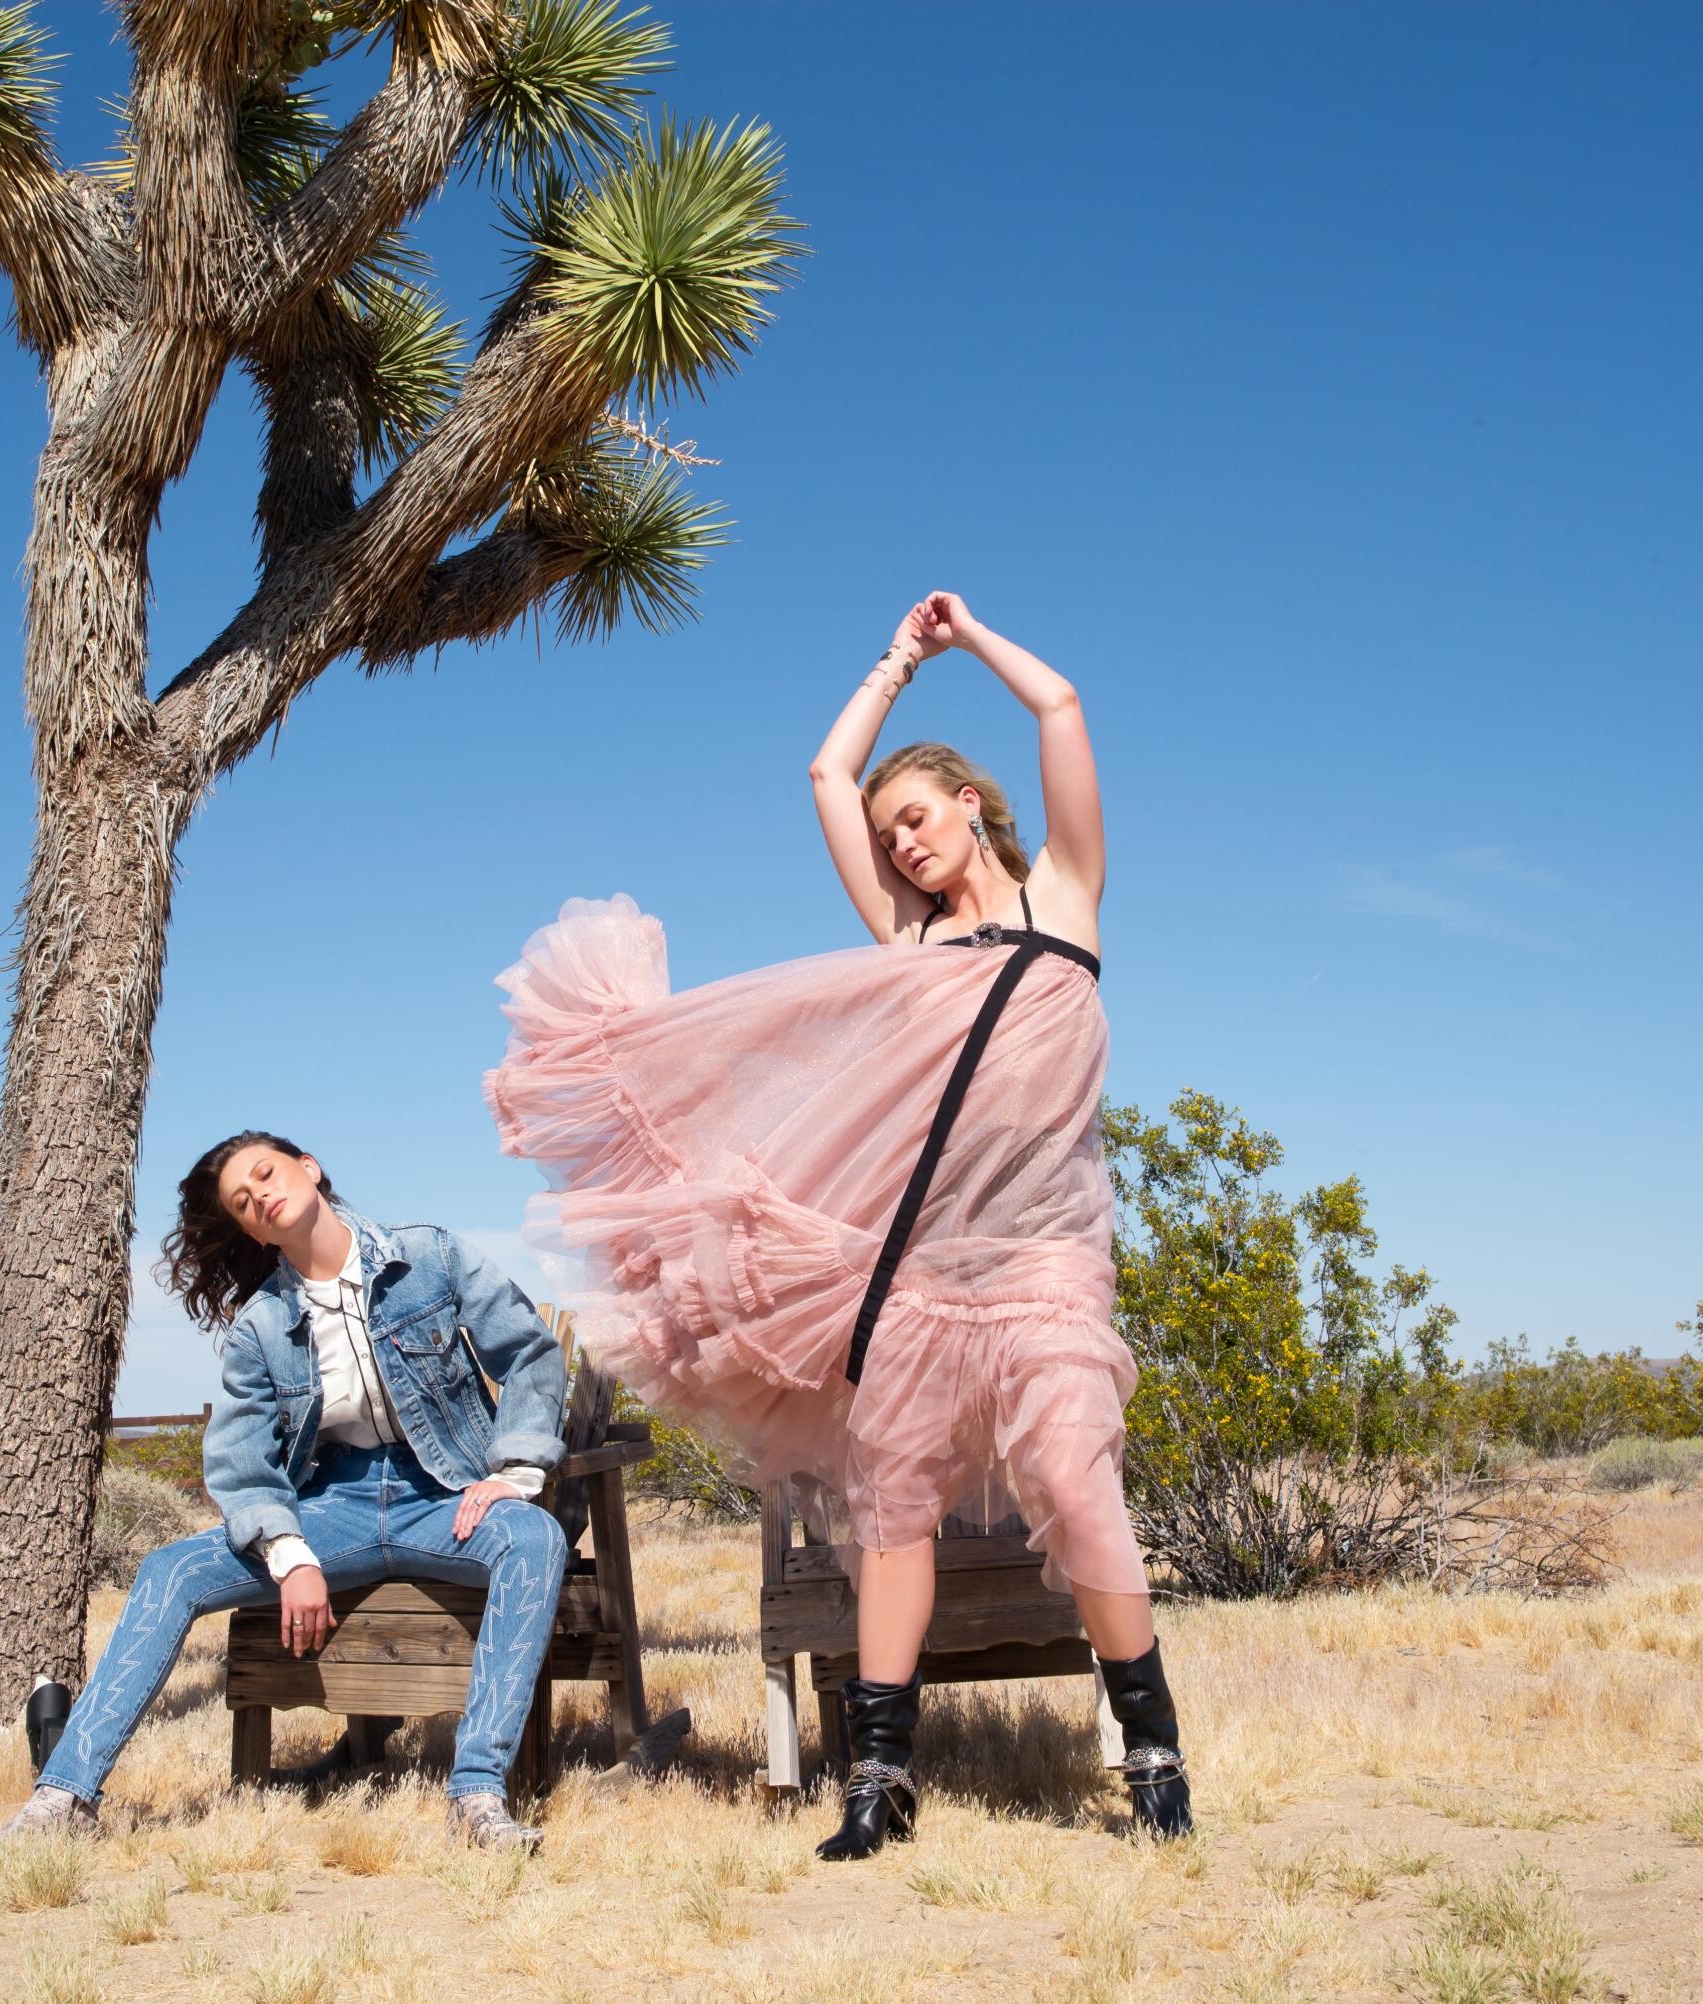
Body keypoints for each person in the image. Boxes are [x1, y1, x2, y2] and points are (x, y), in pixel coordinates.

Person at [486, 590, 1191, 1858]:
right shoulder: (907, 940)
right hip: (916, 1278)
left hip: (1044, 1266)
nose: (902, 845)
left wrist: (966, 638)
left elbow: (1062, 706)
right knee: (891, 1517)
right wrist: (891, 662)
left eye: (914, 819)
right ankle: (878, 1781)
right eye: (886, 836)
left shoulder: (1067, 902)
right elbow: (824, 771)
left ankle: (1154, 1761)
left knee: (1079, 1488)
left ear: (969, 804)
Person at [0, 1131, 572, 1860]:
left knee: (535, 1538)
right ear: (251, 1230)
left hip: (442, 1495)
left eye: (266, 1174)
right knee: (170, 1570)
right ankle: (62, 1800)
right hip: (334, 1508)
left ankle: (476, 1797)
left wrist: (513, 1471)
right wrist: (290, 1553)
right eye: (243, 1202)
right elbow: (241, 1458)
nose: (261, 1197)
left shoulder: (428, 1256)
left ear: (308, 1168)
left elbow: (529, 1352)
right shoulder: (262, 1325)